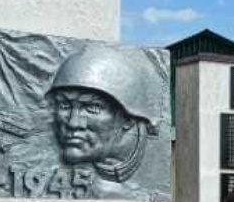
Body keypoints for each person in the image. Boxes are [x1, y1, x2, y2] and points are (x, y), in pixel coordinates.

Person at [45, 46, 162, 183]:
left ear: (128, 119)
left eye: (92, 108)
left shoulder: (161, 157)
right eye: (65, 105)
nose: (73, 123)